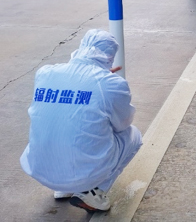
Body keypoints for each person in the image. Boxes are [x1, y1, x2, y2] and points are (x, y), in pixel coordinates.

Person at [20, 29, 142, 213]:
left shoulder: (45, 73)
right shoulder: (110, 84)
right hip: (81, 173)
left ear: (82, 47)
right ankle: (92, 193)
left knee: (59, 122)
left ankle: (63, 188)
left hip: (39, 169)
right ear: (110, 56)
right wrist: (105, 83)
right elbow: (122, 124)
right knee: (133, 135)